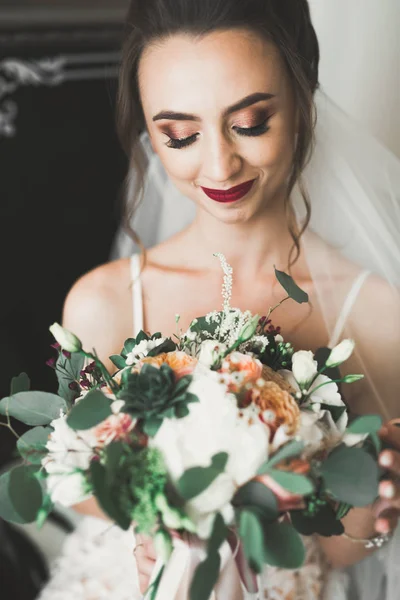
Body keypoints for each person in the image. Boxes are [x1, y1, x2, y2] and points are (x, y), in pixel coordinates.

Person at [38, 1, 400, 599]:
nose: (218, 164)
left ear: (303, 97)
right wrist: (155, 520)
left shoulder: (376, 316)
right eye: (179, 134)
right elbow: (76, 483)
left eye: (251, 122)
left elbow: (336, 551)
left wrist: (372, 512)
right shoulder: (104, 304)